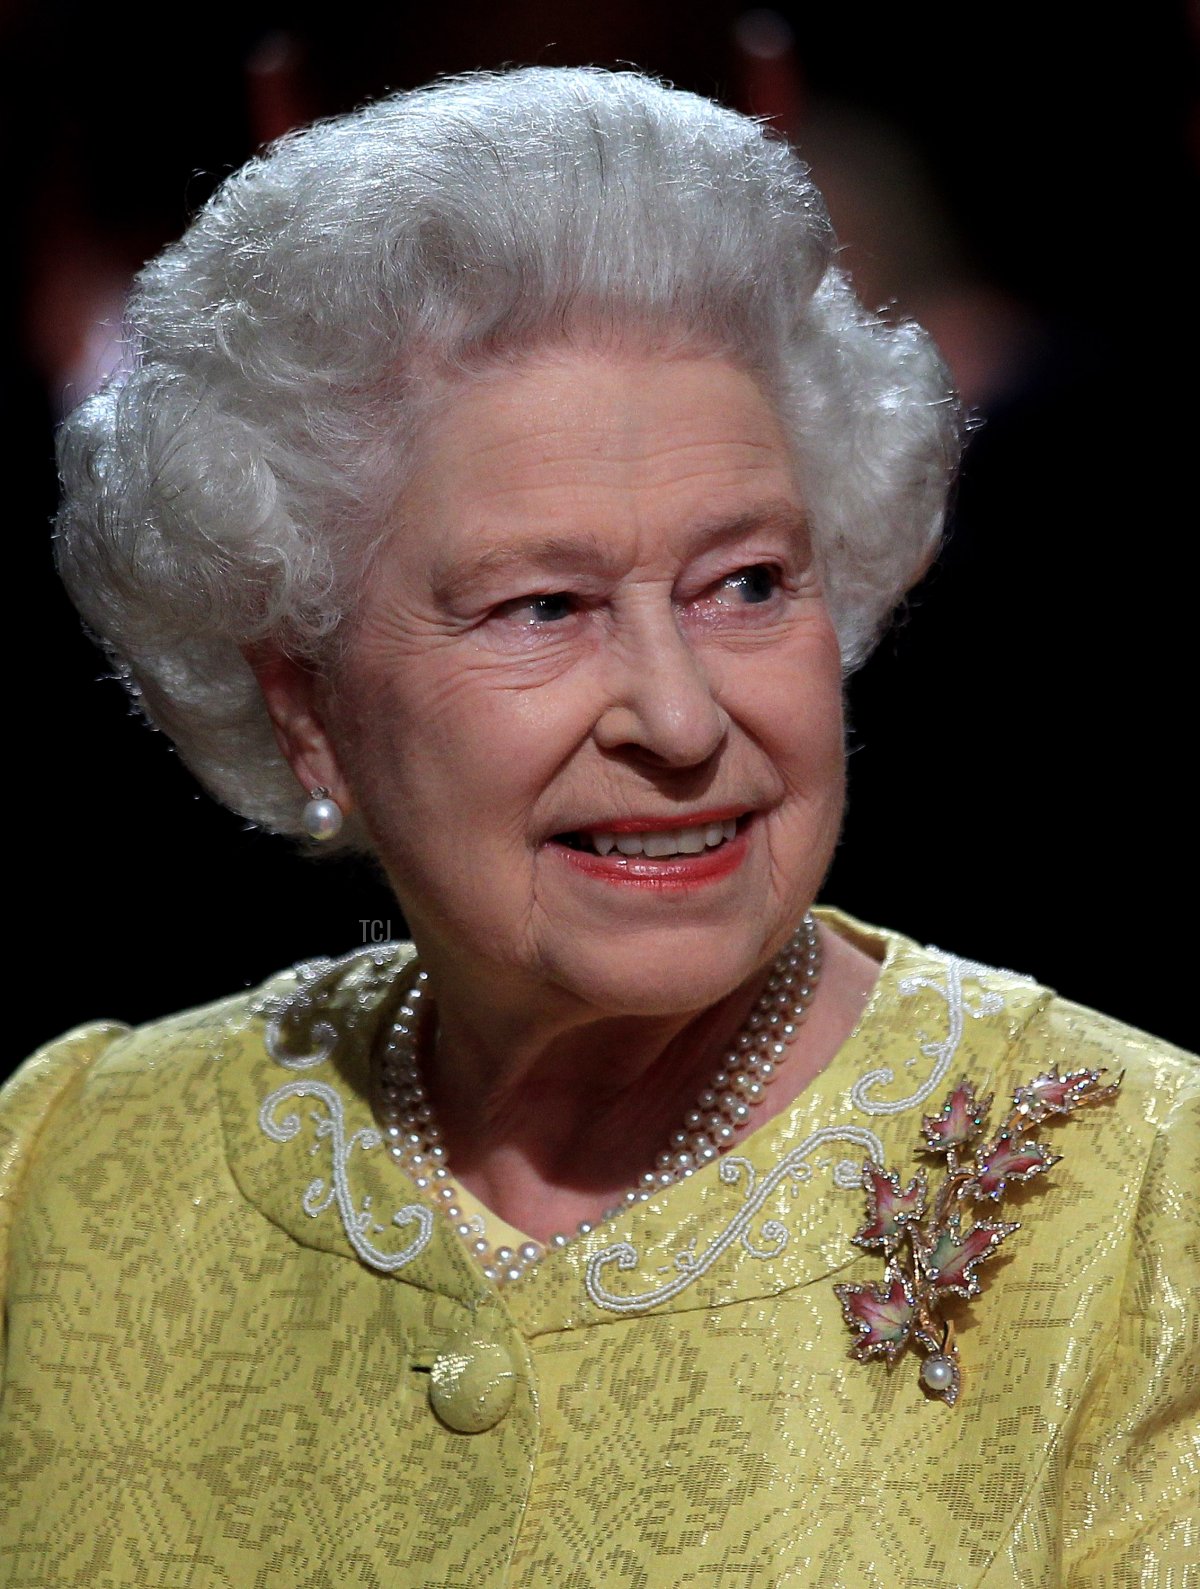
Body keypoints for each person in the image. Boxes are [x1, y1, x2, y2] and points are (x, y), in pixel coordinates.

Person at [1, 67, 1194, 1587]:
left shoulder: (1147, 1209)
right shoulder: (69, 1168)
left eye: (747, 584)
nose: (681, 720)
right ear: (305, 705)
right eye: (543, 606)